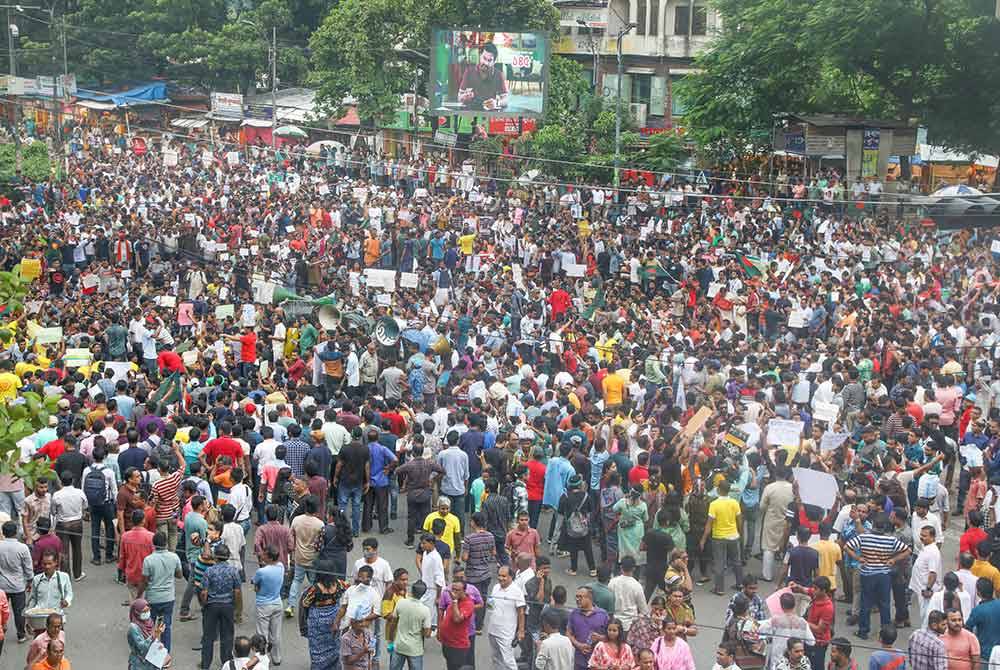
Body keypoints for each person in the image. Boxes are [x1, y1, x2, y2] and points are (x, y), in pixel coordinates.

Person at [843, 513, 910, 640]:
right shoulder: (891, 540)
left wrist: (858, 558)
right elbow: (907, 551)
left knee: (865, 603)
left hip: (867, 575)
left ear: (873, 525)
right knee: (884, 604)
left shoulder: (863, 537)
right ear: (885, 527)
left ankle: (863, 631)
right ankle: (885, 632)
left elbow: (847, 547)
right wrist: (893, 560)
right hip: (884, 575)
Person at [198, 543, 241, 670]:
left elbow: (204, 592)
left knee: (208, 637)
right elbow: (237, 592)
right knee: (227, 636)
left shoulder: (209, 571)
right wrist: (237, 608)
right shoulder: (233, 571)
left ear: (215, 557)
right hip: (227, 606)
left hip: (211, 606)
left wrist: (204, 604)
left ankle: (205, 664)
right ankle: (226, 663)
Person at [139, 531, 182, 652]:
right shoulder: (174, 557)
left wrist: (139, 596)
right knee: (166, 626)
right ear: (166, 543)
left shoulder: (148, 560)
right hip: (168, 598)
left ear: (153, 544)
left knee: (149, 625)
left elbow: (144, 581)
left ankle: (149, 650)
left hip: (152, 598)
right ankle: (165, 652)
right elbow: (179, 575)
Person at [303, 559, 349, 670]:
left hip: (317, 622)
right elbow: (349, 587)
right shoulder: (339, 584)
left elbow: (305, 603)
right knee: (333, 644)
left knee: (317, 647)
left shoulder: (316, 588)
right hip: (334, 619)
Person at [700, 479, 743, 596]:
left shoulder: (714, 504)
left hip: (718, 537)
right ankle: (740, 584)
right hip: (733, 536)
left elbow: (709, 524)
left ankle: (719, 588)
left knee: (719, 563)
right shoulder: (735, 503)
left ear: (718, 490)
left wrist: (703, 539)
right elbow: (739, 521)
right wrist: (740, 533)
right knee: (736, 561)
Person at [386, 579, 431, 670]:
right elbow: (426, 634)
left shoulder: (401, 602)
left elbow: (393, 624)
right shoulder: (425, 610)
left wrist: (390, 641)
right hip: (415, 650)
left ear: (412, 591)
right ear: (423, 594)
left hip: (399, 646)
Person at [487, 565, 526, 669]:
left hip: (506, 633)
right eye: (499, 575)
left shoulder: (516, 591)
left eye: (504, 576)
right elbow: (490, 605)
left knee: (508, 661)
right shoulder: (495, 587)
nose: (501, 578)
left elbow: (521, 612)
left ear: (510, 577)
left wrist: (521, 631)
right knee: (496, 658)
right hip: (493, 630)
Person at [252, 546, 285, 666]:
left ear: (270, 558)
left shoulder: (262, 572)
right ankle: (277, 658)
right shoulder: (281, 566)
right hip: (277, 603)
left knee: (262, 634)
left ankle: (262, 660)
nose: (262, 555)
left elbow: (254, 583)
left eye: (265, 554)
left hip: (263, 605)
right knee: (275, 634)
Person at [0, 520, 32, 643]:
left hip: (2, 585)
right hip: (18, 585)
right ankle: (21, 635)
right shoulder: (22, 548)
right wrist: (30, 580)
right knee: (19, 611)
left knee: (1, 609)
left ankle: (1, 628)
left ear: (3, 533)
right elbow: (28, 567)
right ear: (16, 532)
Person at [567, 586, 609, 670]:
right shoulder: (574, 614)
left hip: (598, 664)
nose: (577, 599)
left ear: (589, 598)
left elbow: (611, 637)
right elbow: (568, 633)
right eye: (576, 596)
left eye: (580, 597)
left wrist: (600, 637)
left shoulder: (603, 614)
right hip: (579, 663)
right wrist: (578, 645)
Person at [438, 578, 474, 670]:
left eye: (457, 590)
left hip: (458, 646)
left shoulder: (468, 604)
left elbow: (457, 619)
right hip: (447, 643)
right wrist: (440, 631)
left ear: (464, 591)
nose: (453, 592)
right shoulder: (455, 601)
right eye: (453, 589)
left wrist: (454, 601)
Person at [126, 598, 170, 670]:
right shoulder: (133, 628)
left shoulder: (149, 621)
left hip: (151, 661)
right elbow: (142, 647)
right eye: (144, 611)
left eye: (148, 610)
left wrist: (158, 644)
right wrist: (154, 635)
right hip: (139, 664)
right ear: (137, 612)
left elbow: (153, 640)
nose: (147, 613)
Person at [26, 550, 72, 618]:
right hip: (39, 616)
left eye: (50, 564)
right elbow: (33, 598)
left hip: (57, 616)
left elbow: (69, 593)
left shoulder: (64, 577)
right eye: (44, 564)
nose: (47, 566)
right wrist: (29, 613)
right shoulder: (36, 579)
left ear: (56, 562)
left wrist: (67, 601)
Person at [607, 556, 647, 633]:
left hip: (614, 623)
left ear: (621, 567)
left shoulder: (612, 582)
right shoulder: (637, 586)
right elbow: (644, 610)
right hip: (631, 625)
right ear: (634, 568)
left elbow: (609, 601)